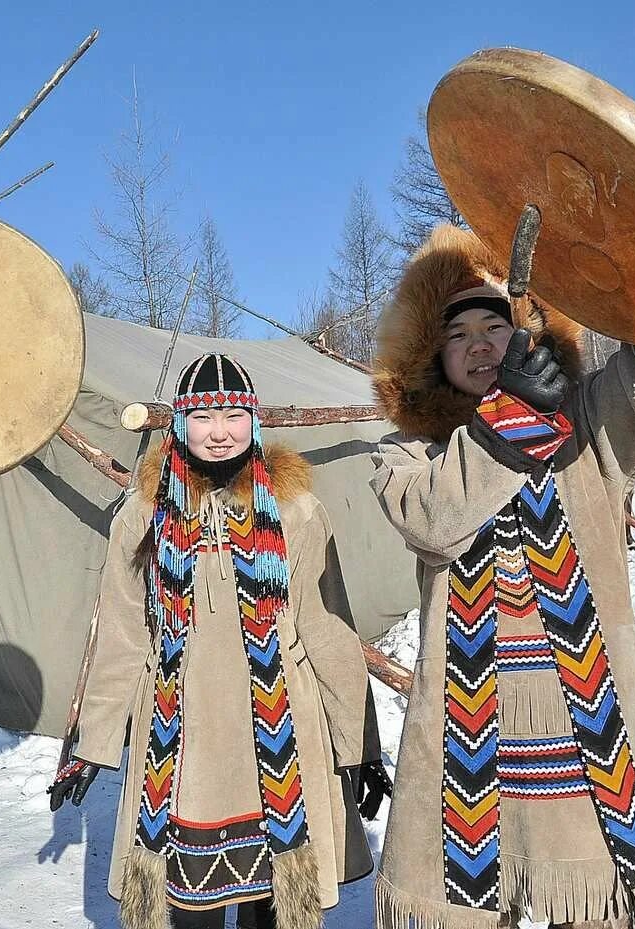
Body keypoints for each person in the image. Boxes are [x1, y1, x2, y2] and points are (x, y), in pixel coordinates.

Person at [368, 225, 635, 929]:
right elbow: (435, 521)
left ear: (529, 335)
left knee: (595, 905)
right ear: (434, 357)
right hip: (470, 745)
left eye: (496, 324)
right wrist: (510, 416)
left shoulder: (589, 423)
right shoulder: (404, 456)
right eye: (459, 335)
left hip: (590, 743)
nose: (481, 344)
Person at [49, 353, 389, 929]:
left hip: (282, 741)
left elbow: (328, 629)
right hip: (180, 742)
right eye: (205, 417)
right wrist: (94, 744)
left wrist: (360, 745)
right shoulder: (143, 514)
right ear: (180, 424)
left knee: (274, 908)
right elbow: (123, 633)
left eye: (234, 415)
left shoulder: (297, 511)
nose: (220, 432)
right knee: (187, 912)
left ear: (253, 422)